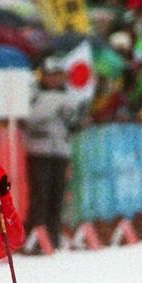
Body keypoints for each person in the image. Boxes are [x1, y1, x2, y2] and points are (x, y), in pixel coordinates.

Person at [24, 55, 85, 246]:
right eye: (51, 75)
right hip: (39, 151)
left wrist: (76, 119)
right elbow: (30, 119)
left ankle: (53, 236)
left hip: (61, 151)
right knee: (40, 194)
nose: (55, 79)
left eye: (58, 75)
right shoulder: (34, 94)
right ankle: (35, 237)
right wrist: (53, 107)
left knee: (56, 195)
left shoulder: (70, 96)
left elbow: (74, 123)